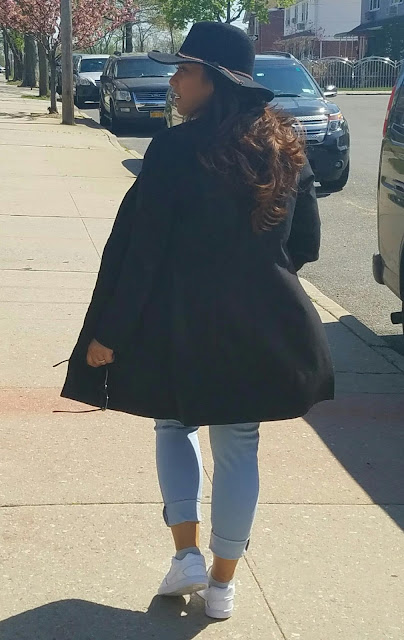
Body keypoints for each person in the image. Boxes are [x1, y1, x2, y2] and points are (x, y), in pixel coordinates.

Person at [61, 22, 334, 620]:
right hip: (261, 321)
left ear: (214, 80)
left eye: (184, 70)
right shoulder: (285, 147)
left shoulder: (174, 150)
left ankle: (186, 555)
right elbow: (306, 244)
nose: (174, 81)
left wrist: (109, 333)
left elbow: (142, 254)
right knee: (240, 445)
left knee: (174, 425)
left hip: (180, 319)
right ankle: (223, 586)